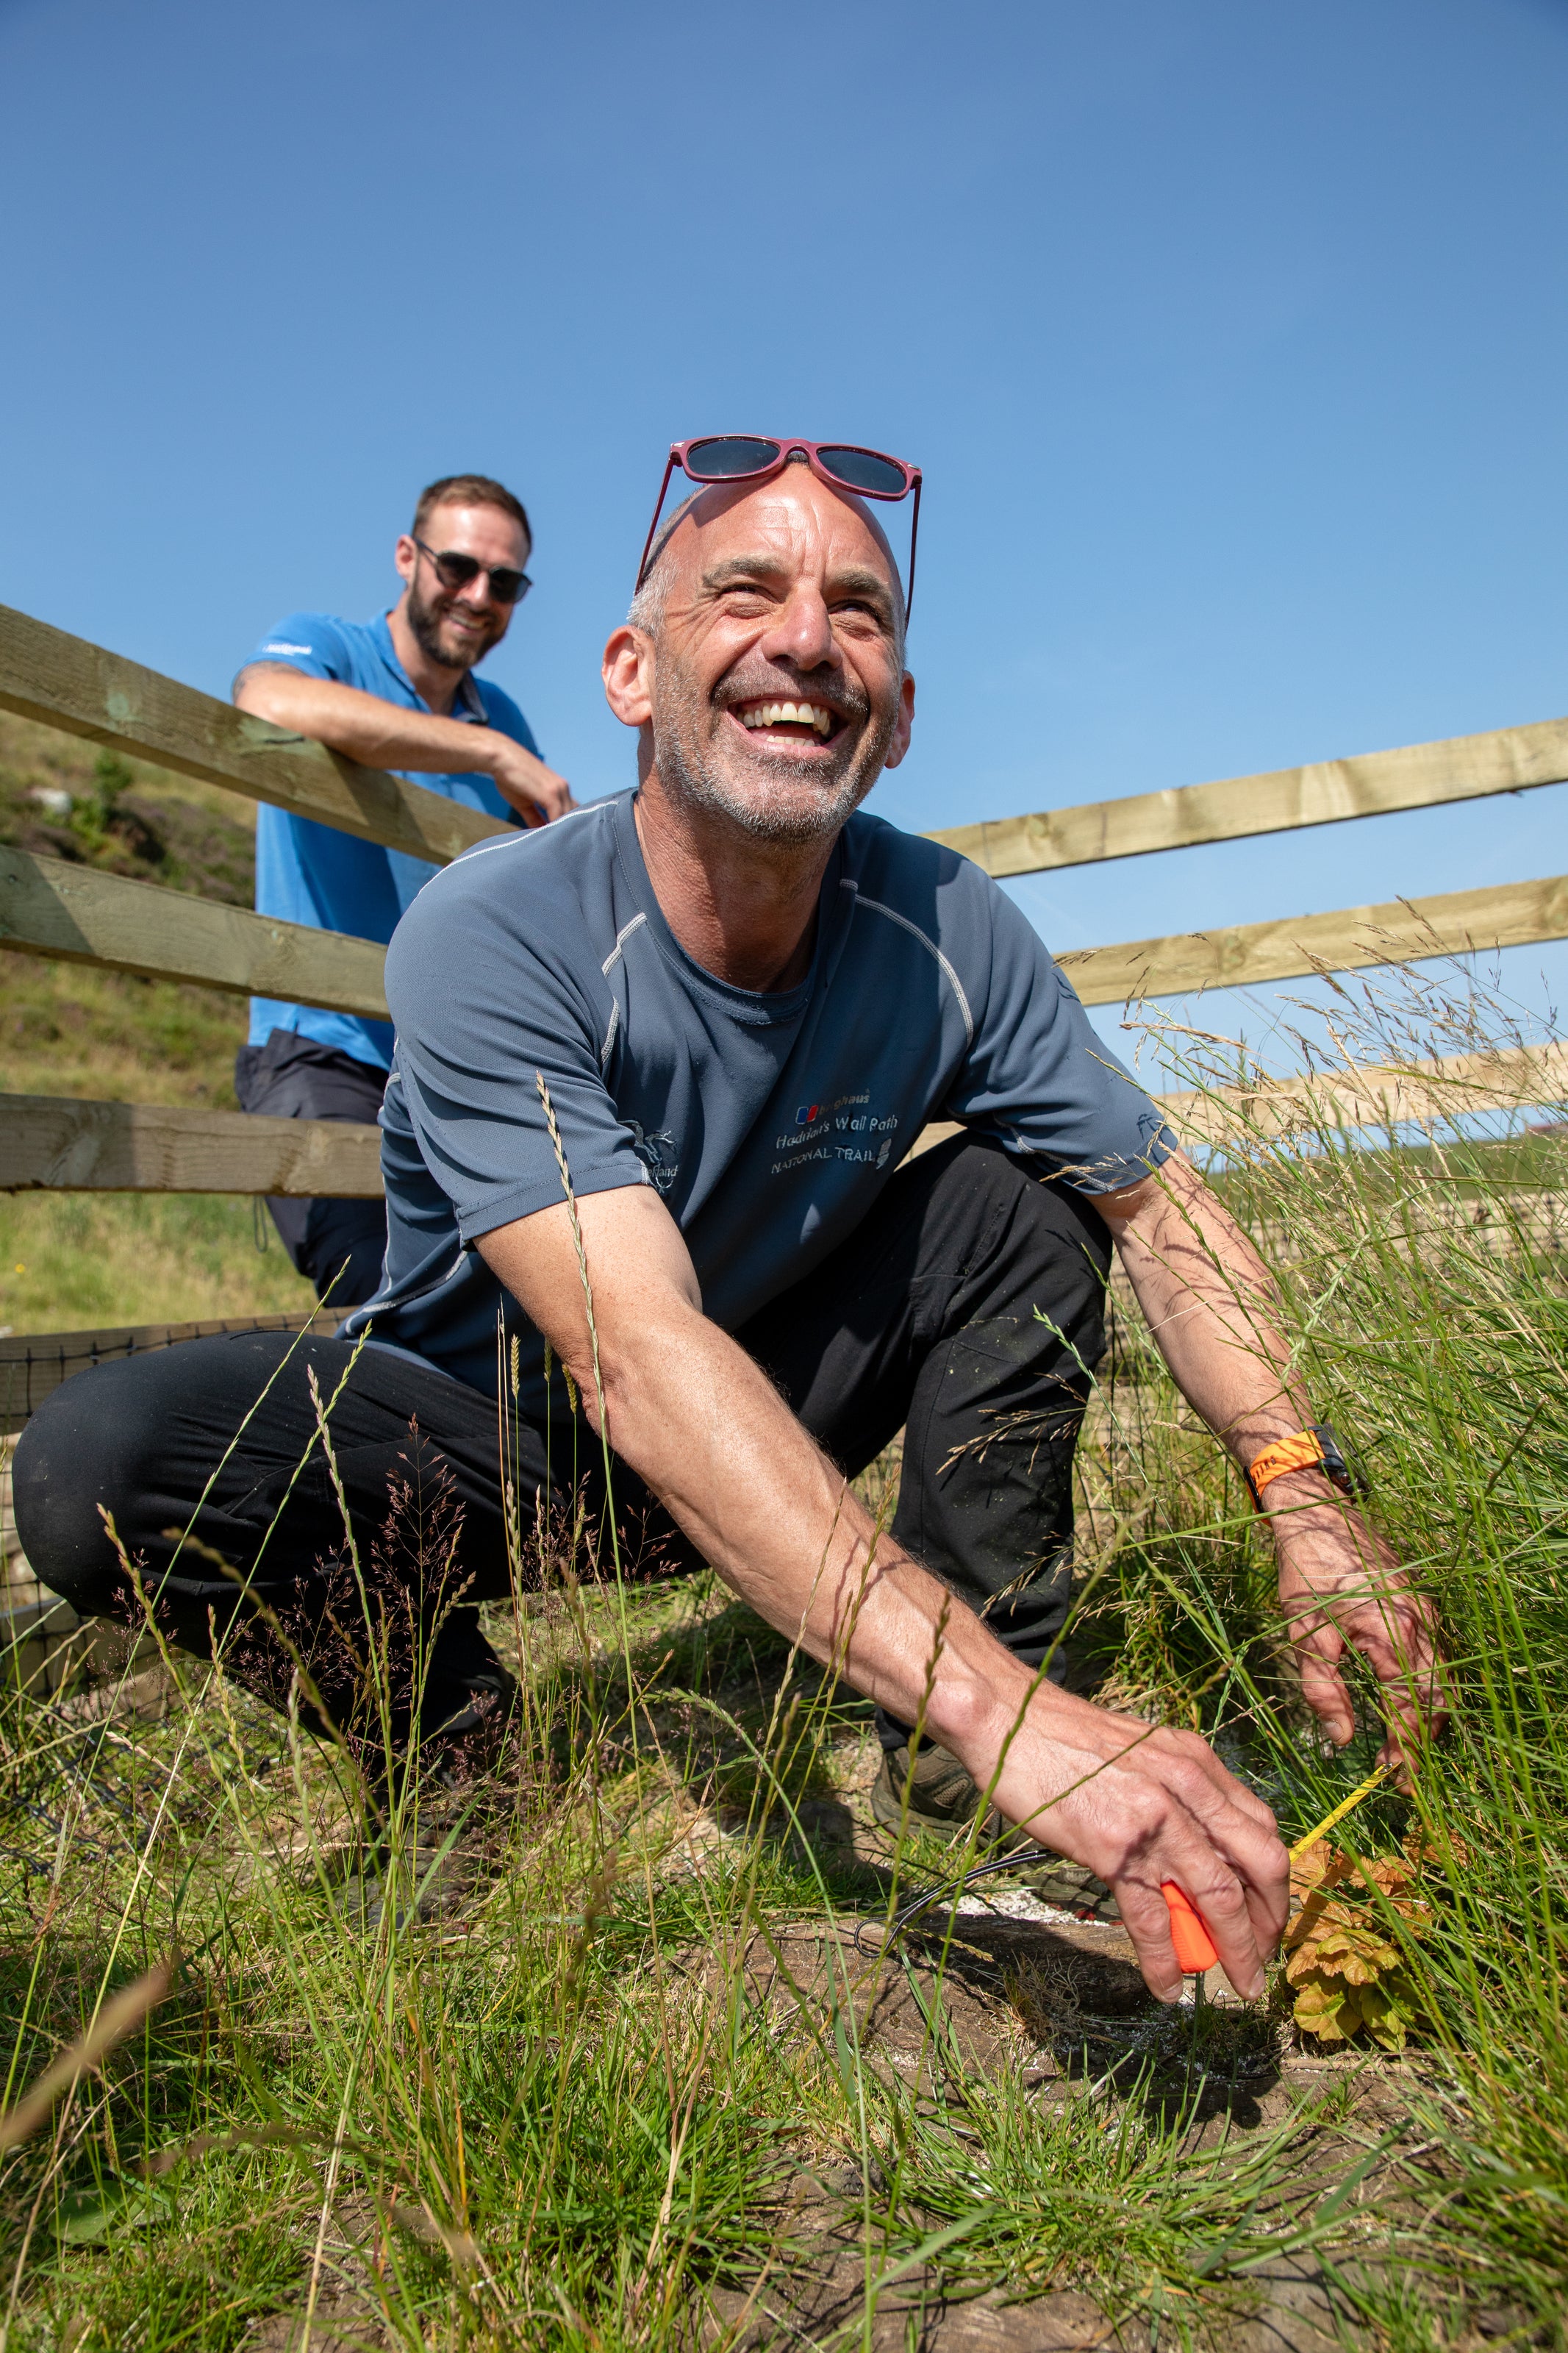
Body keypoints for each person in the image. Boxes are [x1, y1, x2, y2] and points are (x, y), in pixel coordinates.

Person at [14, 440, 1443, 2002]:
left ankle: (963, 1731)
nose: (806, 642)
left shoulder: (950, 927)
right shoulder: (498, 927)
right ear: (632, 671)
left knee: (1025, 1194)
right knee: (98, 1465)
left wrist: (1302, 1494)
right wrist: (1009, 1714)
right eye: (743, 592)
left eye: (858, 611)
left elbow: (1154, 1200)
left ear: (893, 718)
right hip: (495, 1436)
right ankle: (453, 1742)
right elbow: (630, 1346)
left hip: (765, 1398)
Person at [231, 472, 573, 1304]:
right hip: (324, 1046)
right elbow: (265, 698)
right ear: (406, 556)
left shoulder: (503, 718)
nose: (478, 593)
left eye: (506, 581)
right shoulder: (330, 646)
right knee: (382, 1296)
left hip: (455, 1065)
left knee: (521, 1302)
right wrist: (487, 757)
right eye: (457, 566)